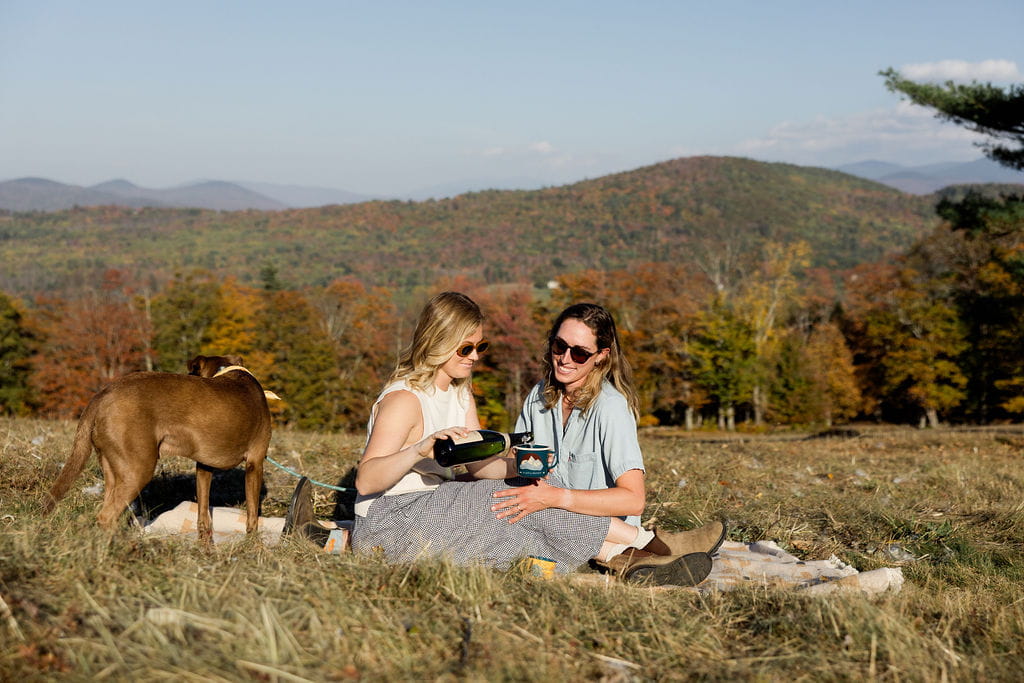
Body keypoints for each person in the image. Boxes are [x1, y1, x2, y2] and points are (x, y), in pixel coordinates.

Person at [346, 291, 712, 584]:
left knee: (519, 499)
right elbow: (366, 480)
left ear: (600, 357)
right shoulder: (404, 400)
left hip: (438, 508)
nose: (475, 357)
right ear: (437, 341)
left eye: (480, 347)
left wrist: (521, 470)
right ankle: (646, 544)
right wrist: (418, 450)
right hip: (391, 520)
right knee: (509, 500)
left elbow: (475, 468)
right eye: (465, 348)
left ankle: (624, 558)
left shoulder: (460, 394)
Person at [495, 302, 726, 574]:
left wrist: (557, 497)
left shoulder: (611, 407)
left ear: (601, 356)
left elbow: (633, 500)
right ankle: (638, 555)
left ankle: (639, 548)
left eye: (580, 353)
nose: (565, 358)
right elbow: (516, 461)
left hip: (602, 526)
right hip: (545, 517)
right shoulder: (538, 397)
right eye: (559, 346)